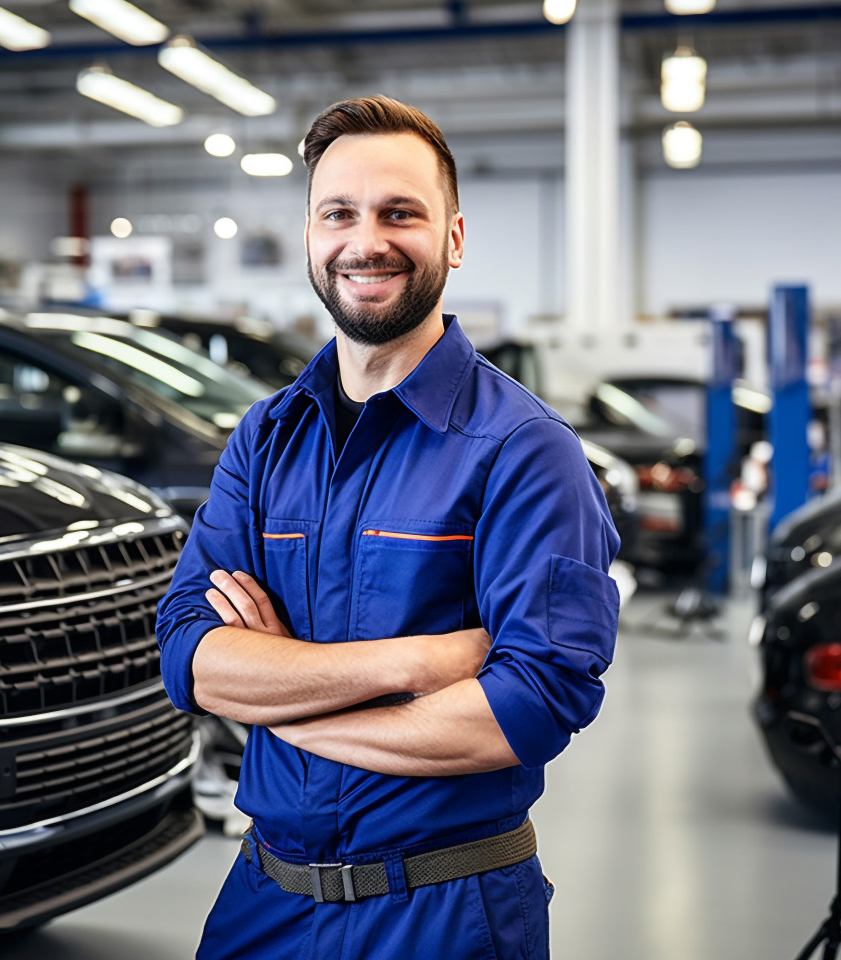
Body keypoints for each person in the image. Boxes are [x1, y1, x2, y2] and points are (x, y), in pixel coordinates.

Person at [156, 96, 620, 960]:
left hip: (445, 910)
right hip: (266, 898)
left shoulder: (525, 452)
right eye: (339, 213)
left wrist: (286, 709)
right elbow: (189, 653)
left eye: (400, 212)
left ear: (452, 237)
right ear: (309, 234)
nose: (365, 240)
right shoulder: (265, 437)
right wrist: (415, 662)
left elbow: (528, 705)